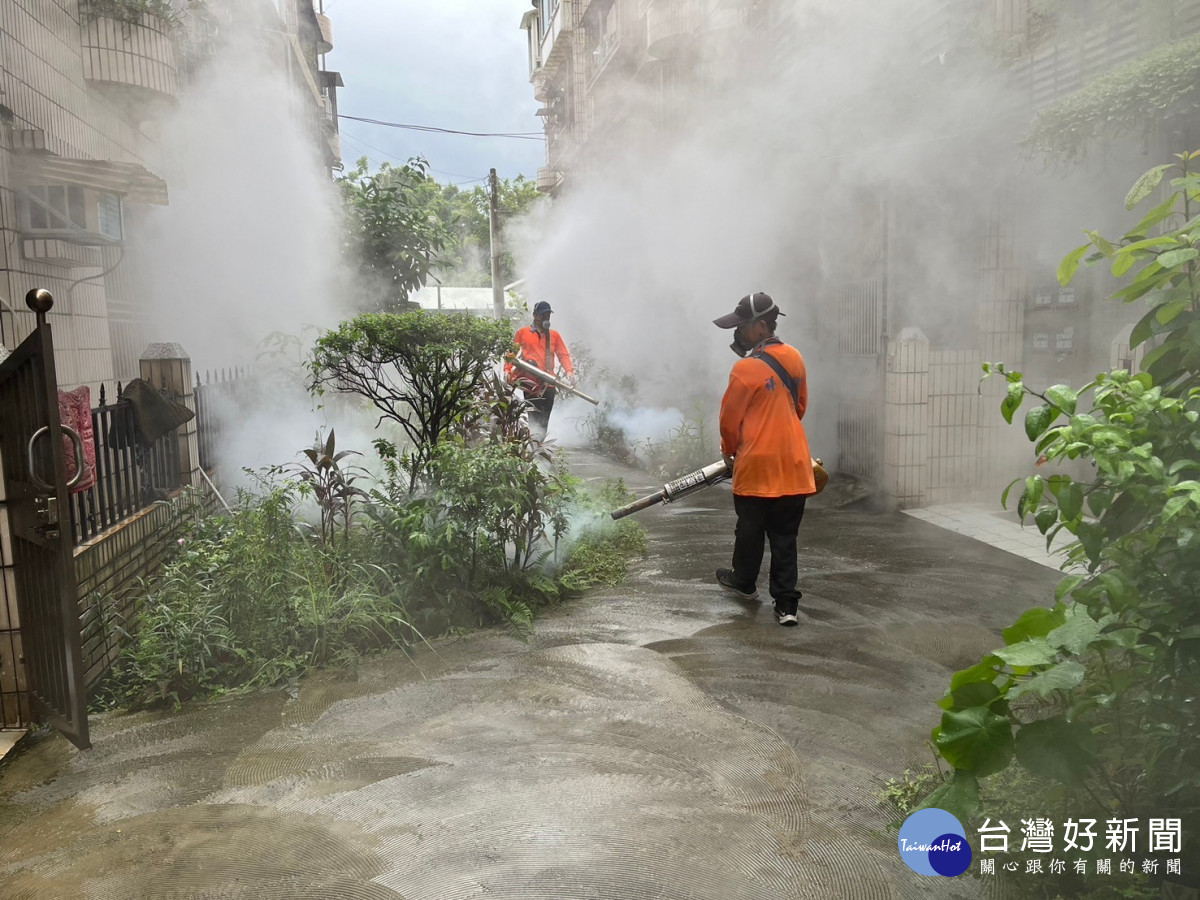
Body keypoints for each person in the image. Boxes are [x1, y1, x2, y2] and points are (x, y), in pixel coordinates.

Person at [712, 291, 816, 627]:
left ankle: (743, 583)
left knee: (750, 532)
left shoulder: (744, 369)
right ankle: (786, 605)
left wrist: (729, 451)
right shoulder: (796, 358)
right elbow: (799, 407)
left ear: (759, 327)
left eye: (741, 326)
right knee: (785, 538)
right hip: (794, 464)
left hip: (757, 467)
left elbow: (729, 422)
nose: (737, 333)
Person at [505, 300, 574, 440]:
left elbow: (563, 354)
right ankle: (534, 447)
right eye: (543, 314)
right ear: (535, 315)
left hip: (549, 384)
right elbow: (511, 354)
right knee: (534, 418)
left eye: (548, 314)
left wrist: (569, 371)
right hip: (531, 385)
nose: (546, 317)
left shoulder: (554, 335)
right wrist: (507, 370)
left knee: (544, 418)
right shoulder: (523, 333)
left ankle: (539, 447)